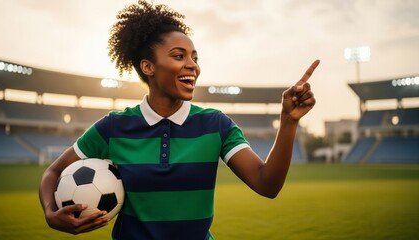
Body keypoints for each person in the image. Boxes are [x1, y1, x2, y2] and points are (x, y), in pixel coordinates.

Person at [39, 0, 320, 239]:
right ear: (148, 67)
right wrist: (52, 214)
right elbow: (53, 173)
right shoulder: (113, 127)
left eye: (194, 57)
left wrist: (288, 122)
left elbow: (266, 184)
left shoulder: (216, 125)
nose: (192, 65)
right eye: (178, 56)